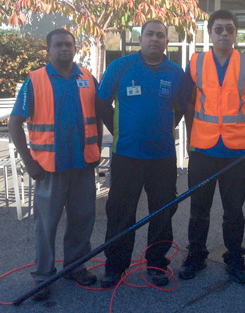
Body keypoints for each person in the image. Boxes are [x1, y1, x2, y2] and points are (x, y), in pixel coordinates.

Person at [9, 29, 101, 301]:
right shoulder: (34, 80)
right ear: (48, 49)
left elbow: (101, 111)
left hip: (83, 166)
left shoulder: (87, 78)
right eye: (58, 45)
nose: (64, 49)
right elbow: (15, 123)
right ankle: (43, 277)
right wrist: (29, 163)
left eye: (69, 44)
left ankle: (75, 267)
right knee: (46, 226)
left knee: (82, 220)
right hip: (48, 168)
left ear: (75, 48)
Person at [179, 9, 245, 284]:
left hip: (237, 149)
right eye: (218, 29)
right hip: (203, 149)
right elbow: (189, 103)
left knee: (233, 210)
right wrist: (192, 136)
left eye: (229, 29)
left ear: (236, 33)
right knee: (198, 209)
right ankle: (196, 256)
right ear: (209, 33)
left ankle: (234, 257)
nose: (224, 34)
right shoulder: (195, 62)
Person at [96, 20, 186, 288]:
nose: (155, 39)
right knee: (120, 212)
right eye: (150, 34)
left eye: (161, 35)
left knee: (163, 211)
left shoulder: (176, 72)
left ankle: (157, 263)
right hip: (127, 154)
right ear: (141, 38)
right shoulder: (120, 67)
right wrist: (119, 129)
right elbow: (101, 102)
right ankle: (115, 265)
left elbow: (180, 109)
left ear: (166, 42)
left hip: (163, 156)